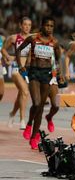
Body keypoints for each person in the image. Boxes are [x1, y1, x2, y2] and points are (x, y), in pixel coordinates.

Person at [16, 16, 62, 149]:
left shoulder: (55, 42)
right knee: (36, 103)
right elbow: (19, 50)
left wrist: (59, 72)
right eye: (47, 25)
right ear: (42, 26)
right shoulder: (33, 38)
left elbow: (58, 59)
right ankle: (29, 123)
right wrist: (20, 65)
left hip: (47, 74)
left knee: (41, 107)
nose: (49, 28)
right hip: (34, 73)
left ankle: (34, 137)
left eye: (51, 26)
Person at [2, 17, 32, 129]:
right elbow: (3, 49)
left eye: (29, 25)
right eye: (25, 24)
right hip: (16, 67)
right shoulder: (14, 38)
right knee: (25, 91)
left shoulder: (33, 38)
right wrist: (8, 56)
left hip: (28, 69)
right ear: (20, 25)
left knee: (21, 94)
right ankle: (22, 120)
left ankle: (12, 114)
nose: (27, 27)